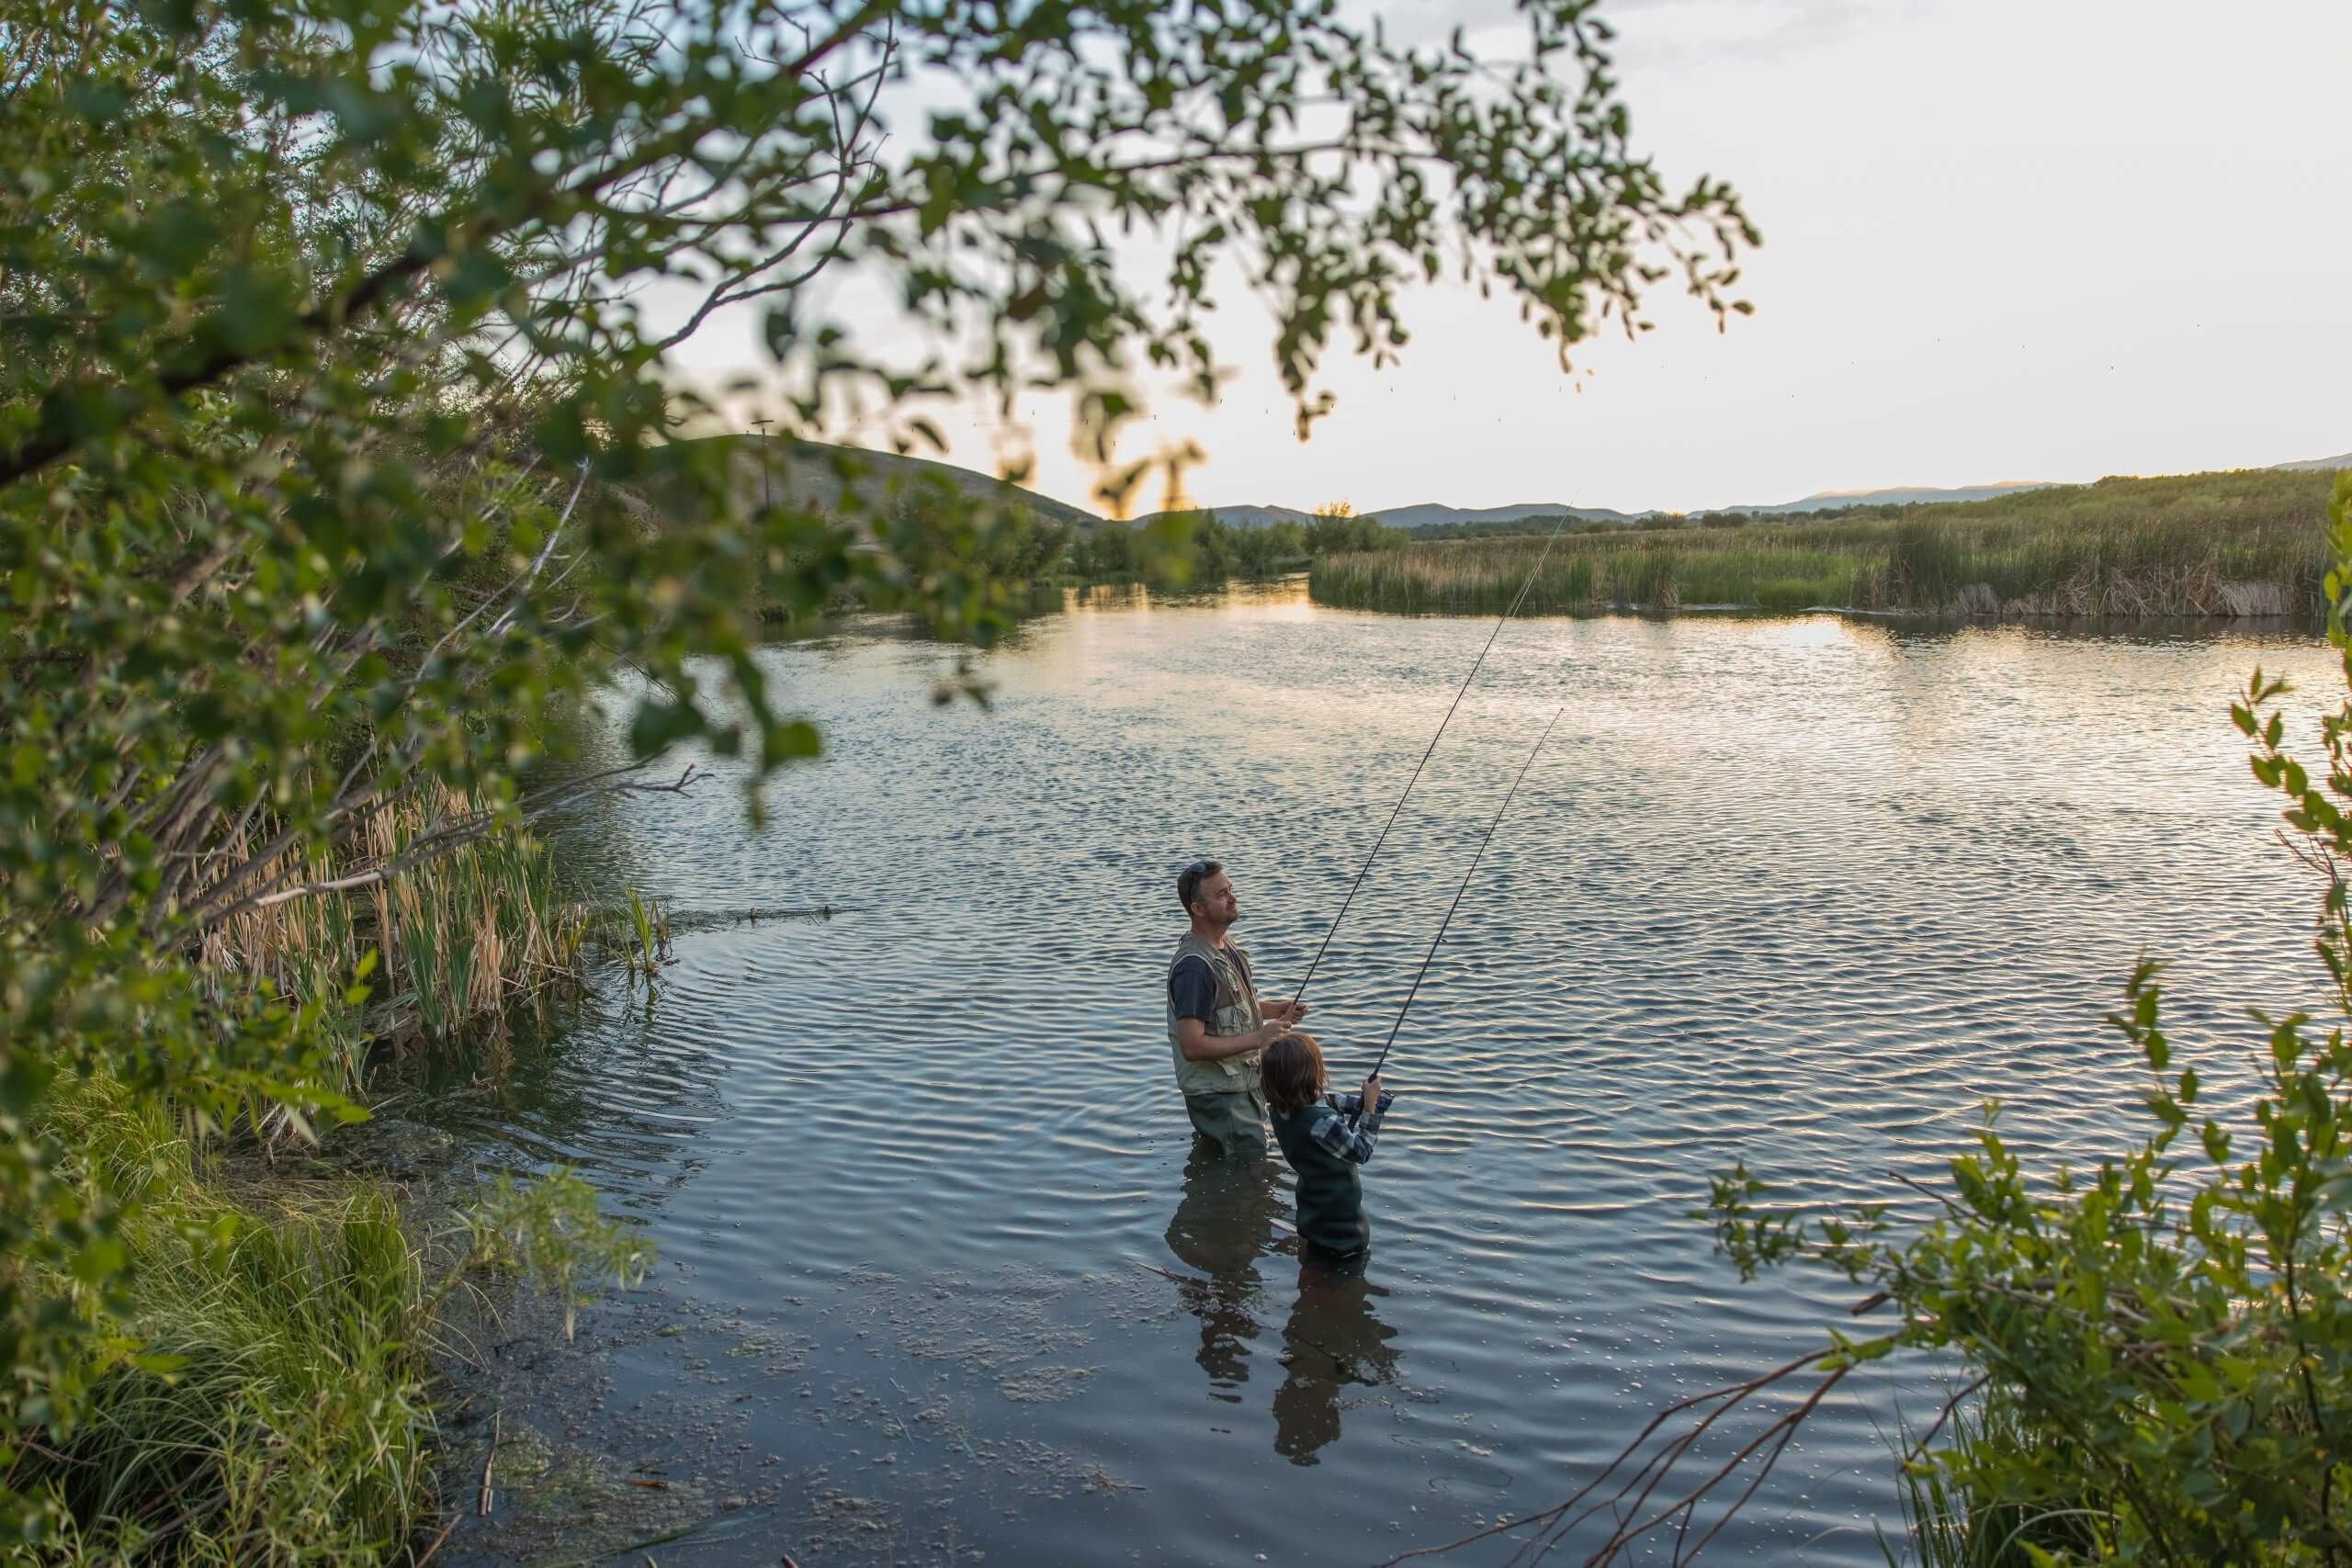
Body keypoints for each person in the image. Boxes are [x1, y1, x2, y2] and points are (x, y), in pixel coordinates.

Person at [1166, 859, 1306, 1157]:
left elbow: (1228, 1007)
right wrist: (1260, 1038)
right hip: (1220, 1097)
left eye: (1230, 889)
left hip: (1237, 1089)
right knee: (1250, 1173)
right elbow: (1192, 1045)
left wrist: (1275, 1009)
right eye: (1221, 894)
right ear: (1197, 909)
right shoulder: (1194, 968)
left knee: (1228, 1173)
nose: (1232, 898)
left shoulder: (1225, 945)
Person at [1261, 1032, 1390, 1257]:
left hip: (1312, 1214)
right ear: (1311, 1074)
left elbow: (1328, 1101)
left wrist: (1367, 1101)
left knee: (1316, 1262)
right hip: (1344, 1229)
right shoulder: (1322, 1123)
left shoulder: (1280, 1110)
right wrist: (1370, 1110)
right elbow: (1361, 1151)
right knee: (1345, 1278)